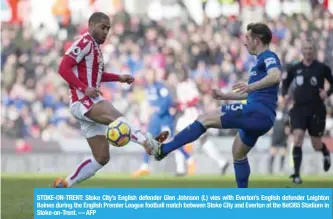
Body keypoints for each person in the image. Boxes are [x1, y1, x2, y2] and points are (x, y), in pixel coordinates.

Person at [150, 23, 282, 188]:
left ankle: (164, 149)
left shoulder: (268, 56)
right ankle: (244, 199)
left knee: (205, 119)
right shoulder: (257, 63)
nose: (245, 42)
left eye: (247, 38)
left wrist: (251, 86)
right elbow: (252, 92)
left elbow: (275, 75)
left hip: (258, 112)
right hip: (261, 115)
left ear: (257, 40)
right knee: (238, 152)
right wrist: (226, 96)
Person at [52, 12, 168, 188]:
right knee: (116, 116)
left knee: (101, 157)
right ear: (91, 26)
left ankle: (64, 184)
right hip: (84, 100)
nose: (106, 32)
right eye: (102, 27)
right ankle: (147, 142)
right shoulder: (85, 42)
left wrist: (118, 78)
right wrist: (84, 88)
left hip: (87, 102)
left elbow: (96, 75)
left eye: (108, 28)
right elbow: (63, 68)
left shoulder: (96, 48)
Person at [281, 38, 333, 184]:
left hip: (317, 109)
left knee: (316, 144)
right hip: (299, 108)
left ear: (315, 51)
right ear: (302, 51)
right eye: (306, 48)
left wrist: (327, 93)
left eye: (311, 48)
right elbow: (285, 83)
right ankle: (296, 175)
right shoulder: (294, 68)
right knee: (297, 137)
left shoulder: (322, 68)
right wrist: (285, 95)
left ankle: (325, 152)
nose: (308, 51)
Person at [133, 69, 192, 176]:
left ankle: (190, 159)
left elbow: (167, 99)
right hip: (155, 119)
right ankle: (145, 166)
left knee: (171, 141)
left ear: (154, 75)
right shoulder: (148, 87)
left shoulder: (160, 86)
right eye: (148, 74)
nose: (149, 76)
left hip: (164, 118)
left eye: (151, 74)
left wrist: (159, 110)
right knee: (147, 140)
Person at [268, 96, 290, 174]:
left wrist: (288, 129)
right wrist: (269, 128)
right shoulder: (273, 109)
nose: (280, 101)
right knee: (273, 151)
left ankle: (281, 169)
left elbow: (288, 122)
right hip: (275, 132)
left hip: (283, 133)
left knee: (283, 151)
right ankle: (270, 169)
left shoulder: (286, 110)